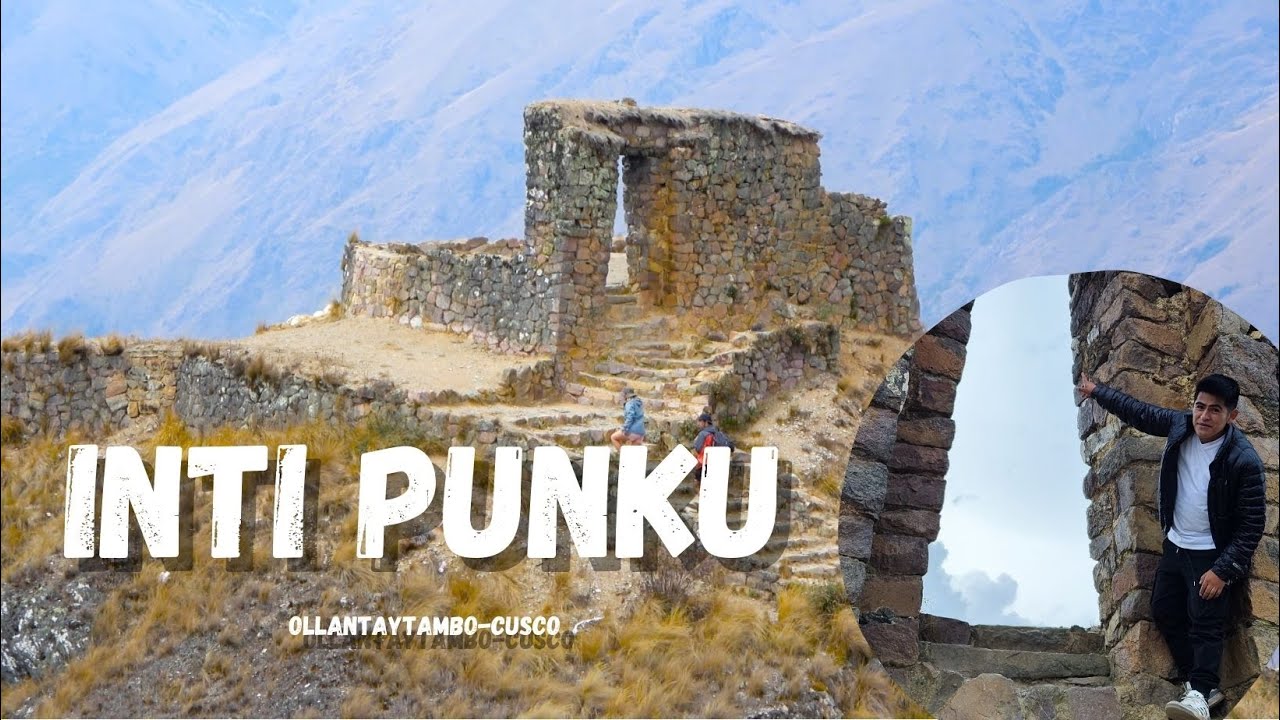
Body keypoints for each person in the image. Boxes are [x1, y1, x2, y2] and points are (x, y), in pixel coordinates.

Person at [1075, 372, 1265, 720]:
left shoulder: (1244, 461)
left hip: (1211, 553)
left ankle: (1200, 694)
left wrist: (1222, 571)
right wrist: (1096, 391)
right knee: (1163, 609)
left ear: (1232, 416)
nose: (1204, 417)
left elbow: (1252, 525)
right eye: (1199, 407)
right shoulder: (1181, 426)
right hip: (1176, 545)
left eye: (1215, 410)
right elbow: (1140, 412)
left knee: (1206, 623)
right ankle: (1202, 686)